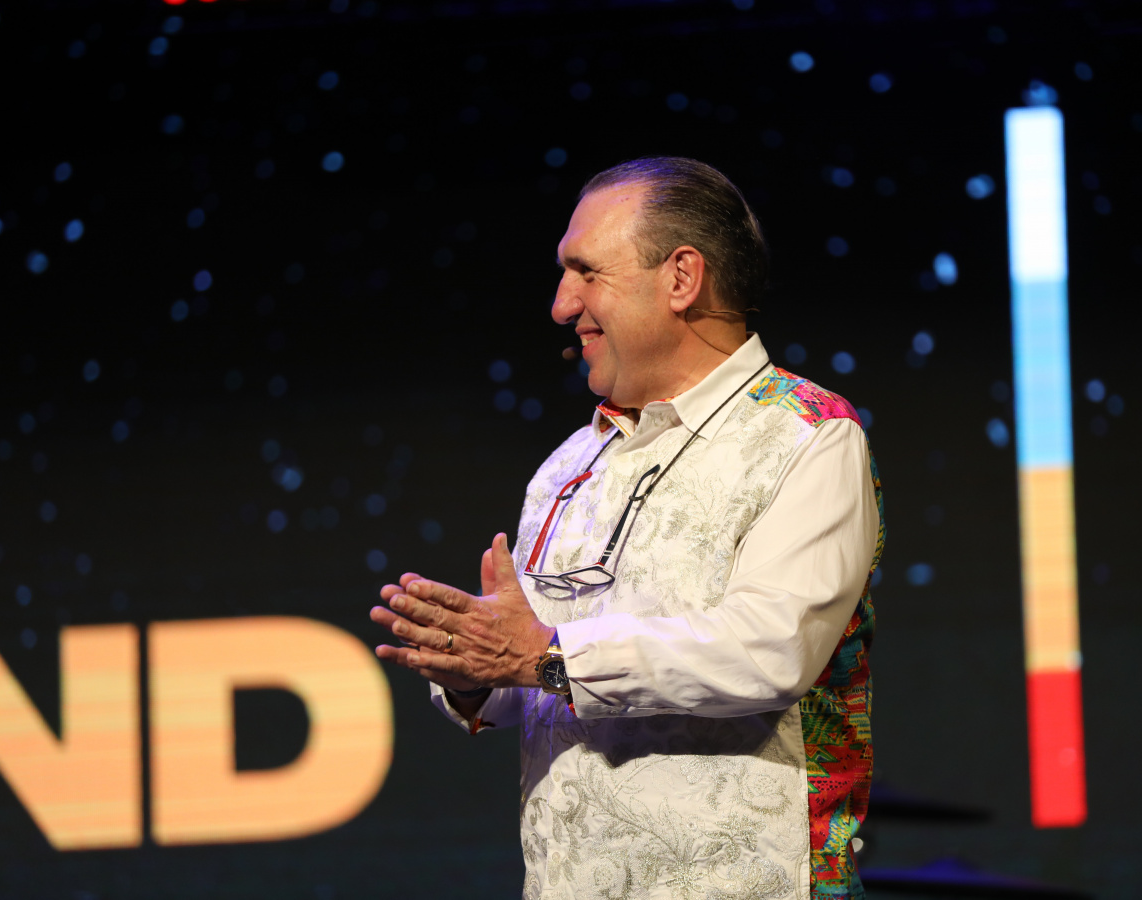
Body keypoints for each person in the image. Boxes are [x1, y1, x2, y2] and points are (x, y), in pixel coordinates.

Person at [370, 157, 884, 900]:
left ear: (682, 278)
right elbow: (540, 676)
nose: (560, 304)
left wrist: (543, 655)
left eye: (585, 271)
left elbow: (770, 649)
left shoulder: (806, 434)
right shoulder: (569, 465)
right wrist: (476, 671)